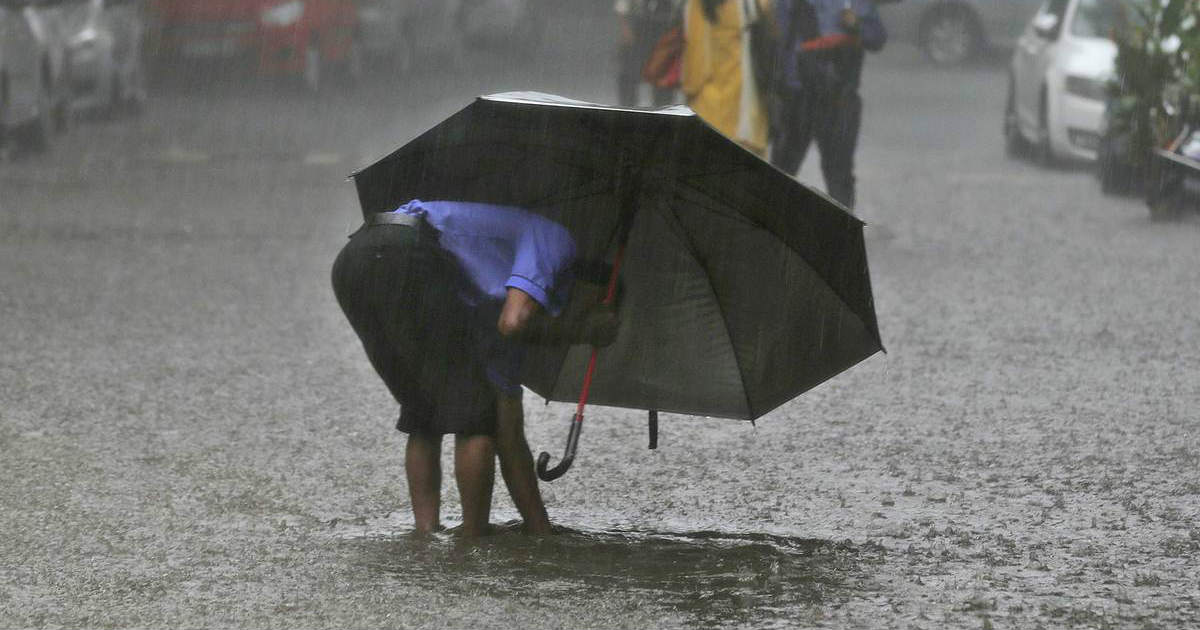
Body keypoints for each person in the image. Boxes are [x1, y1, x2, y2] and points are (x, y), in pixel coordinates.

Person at [331, 200, 617, 537]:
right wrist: (582, 330)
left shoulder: (505, 305)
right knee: (477, 415)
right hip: (404, 250)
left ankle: (425, 534)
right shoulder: (554, 241)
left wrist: (540, 529)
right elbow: (514, 322)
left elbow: (511, 436)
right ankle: (473, 536)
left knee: (424, 409)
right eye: (594, 313)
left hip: (354, 263)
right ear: (590, 291)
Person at [770, 0, 885, 209]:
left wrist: (857, 23)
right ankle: (769, 232)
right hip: (798, 96)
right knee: (781, 171)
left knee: (839, 176)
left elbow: (877, 37)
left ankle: (842, 235)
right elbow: (779, 42)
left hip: (839, 98)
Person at [681, 0, 774, 157]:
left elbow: (696, 56)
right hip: (749, 109)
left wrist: (689, 91)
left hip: (711, 107)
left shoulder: (699, 4)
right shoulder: (757, 3)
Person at [615, 0, 685, 107]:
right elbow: (622, 8)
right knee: (629, 75)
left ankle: (662, 112)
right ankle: (627, 110)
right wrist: (626, 29)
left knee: (663, 78)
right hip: (638, 30)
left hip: (666, 28)